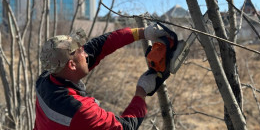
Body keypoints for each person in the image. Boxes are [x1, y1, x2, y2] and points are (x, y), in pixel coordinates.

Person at [33, 24, 170, 130]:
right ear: (72, 65)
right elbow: (124, 127)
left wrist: (141, 32)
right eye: (81, 51)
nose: (86, 54)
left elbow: (98, 46)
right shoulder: (79, 110)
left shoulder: (46, 78)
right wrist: (142, 91)